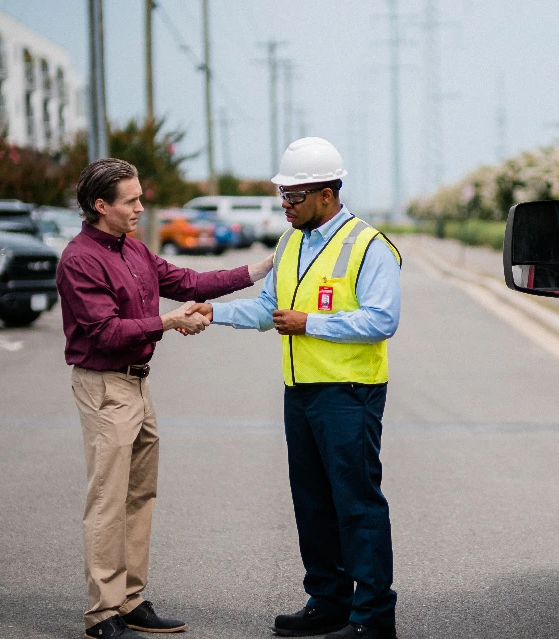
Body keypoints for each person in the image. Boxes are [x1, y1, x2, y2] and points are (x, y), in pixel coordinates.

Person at [187, 137, 402, 639]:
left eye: (294, 196)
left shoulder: (370, 246)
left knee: (356, 502)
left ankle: (372, 618)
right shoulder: (290, 243)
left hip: (350, 391)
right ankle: (328, 601)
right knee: (312, 500)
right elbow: (268, 309)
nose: (285, 205)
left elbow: (382, 319)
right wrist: (212, 312)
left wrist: (312, 323)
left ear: (327, 194)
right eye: (283, 195)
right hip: (301, 391)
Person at [56, 158, 273, 639]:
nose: (140, 206)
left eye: (139, 197)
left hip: (137, 382)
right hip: (104, 385)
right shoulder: (79, 259)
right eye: (130, 200)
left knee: (139, 495)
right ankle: (102, 615)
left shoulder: (132, 249)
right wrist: (169, 322)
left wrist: (261, 268)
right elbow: (106, 332)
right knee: (108, 501)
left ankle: (130, 601)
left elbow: (188, 283)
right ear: (100, 206)